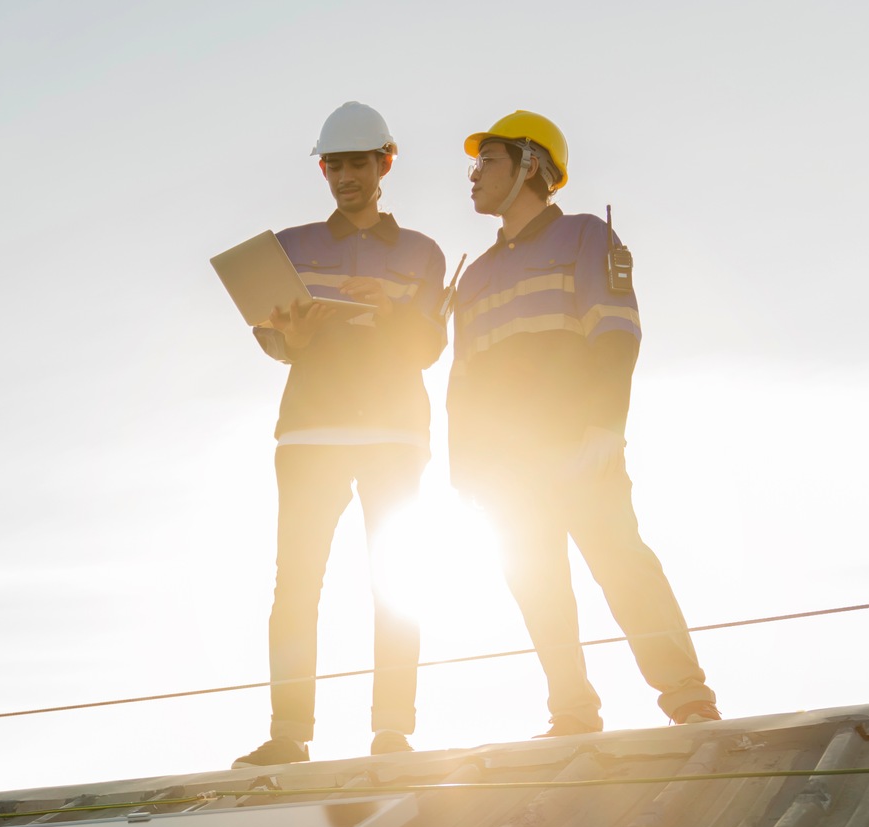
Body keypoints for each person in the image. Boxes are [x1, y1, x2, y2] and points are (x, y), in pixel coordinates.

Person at [446, 111, 719, 736]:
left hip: (579, 443)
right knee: (535, 583)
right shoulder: (476, 276)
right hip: (504, 467)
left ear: (531, 167)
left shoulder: (584, 237)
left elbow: (618, 335)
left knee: (622, 563)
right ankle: (571, 712)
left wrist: (605, 426)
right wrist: (465, 468)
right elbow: (462, 380)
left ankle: (687, 697)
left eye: (488, 161)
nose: (474, 175)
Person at [232, 102, 449, 769]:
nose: (346, 176)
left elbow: (428, 347)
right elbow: (276, 344)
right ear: (323, 169)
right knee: (295, 584)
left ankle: (392, 729)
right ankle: (289, 734)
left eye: (358, 162)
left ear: (384, 163)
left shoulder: (423, 254)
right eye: (335, 164)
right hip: (309, 432)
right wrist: (291, 337)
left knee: (394, 578)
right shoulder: (289, 248)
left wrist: (388, 312)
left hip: (393, 432)